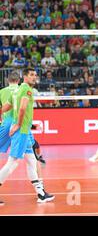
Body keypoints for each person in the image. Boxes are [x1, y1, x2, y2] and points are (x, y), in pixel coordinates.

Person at [0, 68, 54, 204]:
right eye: (31, 75)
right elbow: (23, 108)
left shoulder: (17, 90)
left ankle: (41, 193)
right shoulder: (26, 90)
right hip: (22, 130)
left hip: (24, 130)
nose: (34, 77)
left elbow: (6, 107)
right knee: (12, 162)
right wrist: (18, 124)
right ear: (24, 77)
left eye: (35, 75)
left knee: (32, 161)